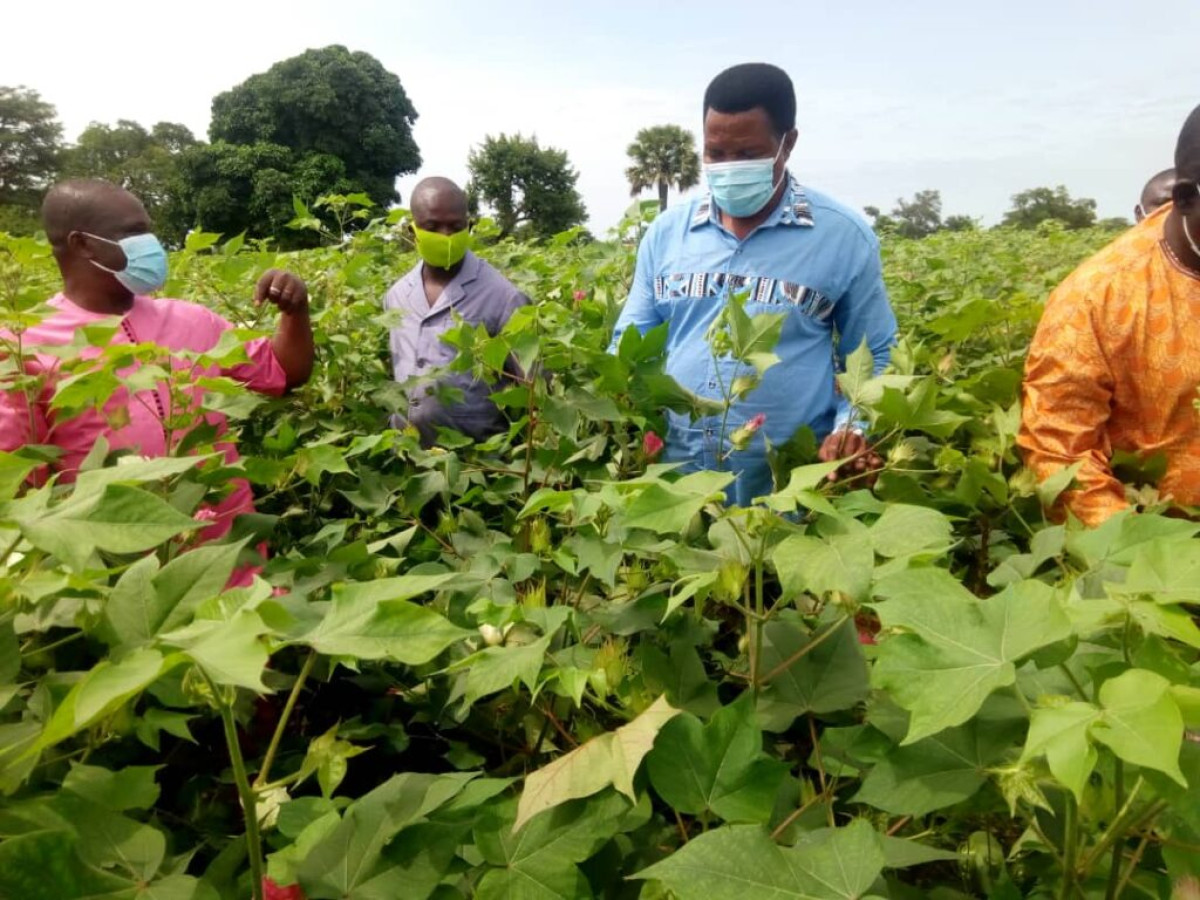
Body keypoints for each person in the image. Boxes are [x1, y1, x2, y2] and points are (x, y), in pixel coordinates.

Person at [609, 63, 897, 505]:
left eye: (747, 153)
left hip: (786, 490)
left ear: (788, 143)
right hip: (674, 487)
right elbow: (630, 342)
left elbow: (874, 352)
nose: (729, 167)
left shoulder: (843, 237)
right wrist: (619, 410)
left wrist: (850, 429)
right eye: (715, 153)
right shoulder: (667, 234)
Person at [0, 179, 314, 577]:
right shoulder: (22, 345)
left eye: (148, 231)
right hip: (117, 570)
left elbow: (284, 373)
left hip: (227, 556)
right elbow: (21, 486)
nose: (150, 244)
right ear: (83, 244)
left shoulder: (192, 320)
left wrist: (296, 312)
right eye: (134, 233)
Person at [1019, 107, 1200, 525]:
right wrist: (1143, 550)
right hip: (1159, 541)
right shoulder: (1096, 297)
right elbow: (1060, 453)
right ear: (1186, 199)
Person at [382, 177, 528, 445]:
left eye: (456, 227)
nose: (446, 236)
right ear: (413, 230)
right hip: (406, 453)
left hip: (475, 458)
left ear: (469, 227)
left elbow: (534, 391)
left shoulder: (505, 297)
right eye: (432, 227)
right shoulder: (396, 296)